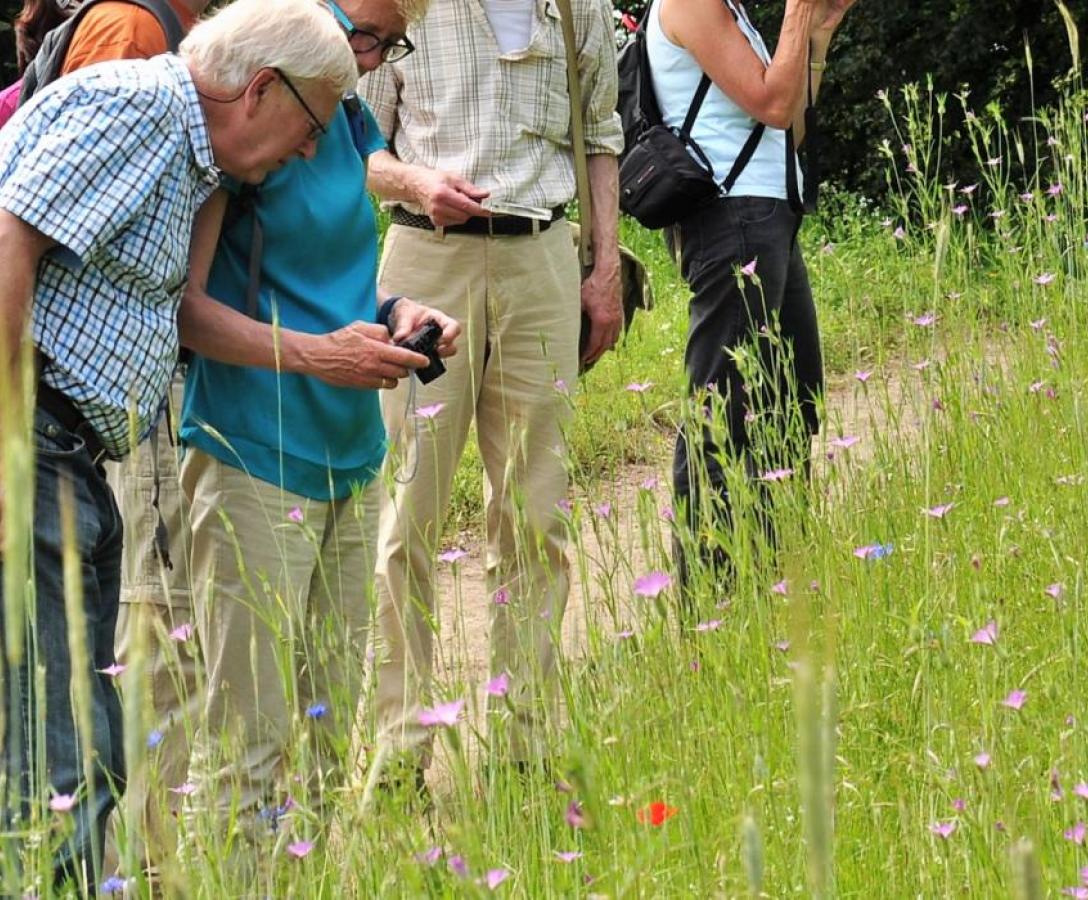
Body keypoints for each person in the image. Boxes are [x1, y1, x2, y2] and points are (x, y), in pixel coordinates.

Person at [0, 0, 357, 887]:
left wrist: (327, 351)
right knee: (58, 759)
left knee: (82, 739)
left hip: (78, 458)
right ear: (261, 88)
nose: (309, 152)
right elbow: (6, 242)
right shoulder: (139, 109)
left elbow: (180, 311)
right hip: (33, 445)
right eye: (311, 127)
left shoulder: (191, 157)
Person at [176, 0, 458, 845]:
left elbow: (333, 281)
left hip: (350, 449)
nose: (370, 55)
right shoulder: (248, 131)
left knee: (332, 740)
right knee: (246, 749)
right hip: (253, 450)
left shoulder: (344, 115)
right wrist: (317, 356)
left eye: (384, 39)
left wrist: (400, 308)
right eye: (361, 31)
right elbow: (183, 310)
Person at [360, 0, 624, 779]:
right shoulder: (402, 5)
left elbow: (602, 137)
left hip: (541, 256)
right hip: (423, 263)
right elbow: (355, 149)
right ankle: (401, 752)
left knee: (536, 511)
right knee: (408, 511)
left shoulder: (582, 6)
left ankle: (527, 742)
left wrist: (603, 269)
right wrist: (416, 180)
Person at [648, 0, 853, 590]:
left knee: (789, 402)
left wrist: (817, 34)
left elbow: (792, 124)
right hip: (730, 221)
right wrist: (796, 13)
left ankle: (774, 576)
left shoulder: (734, 13)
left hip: (769, 217)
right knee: (722, 410)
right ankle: (709, 598)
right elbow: (773, 103)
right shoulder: (691, 4)